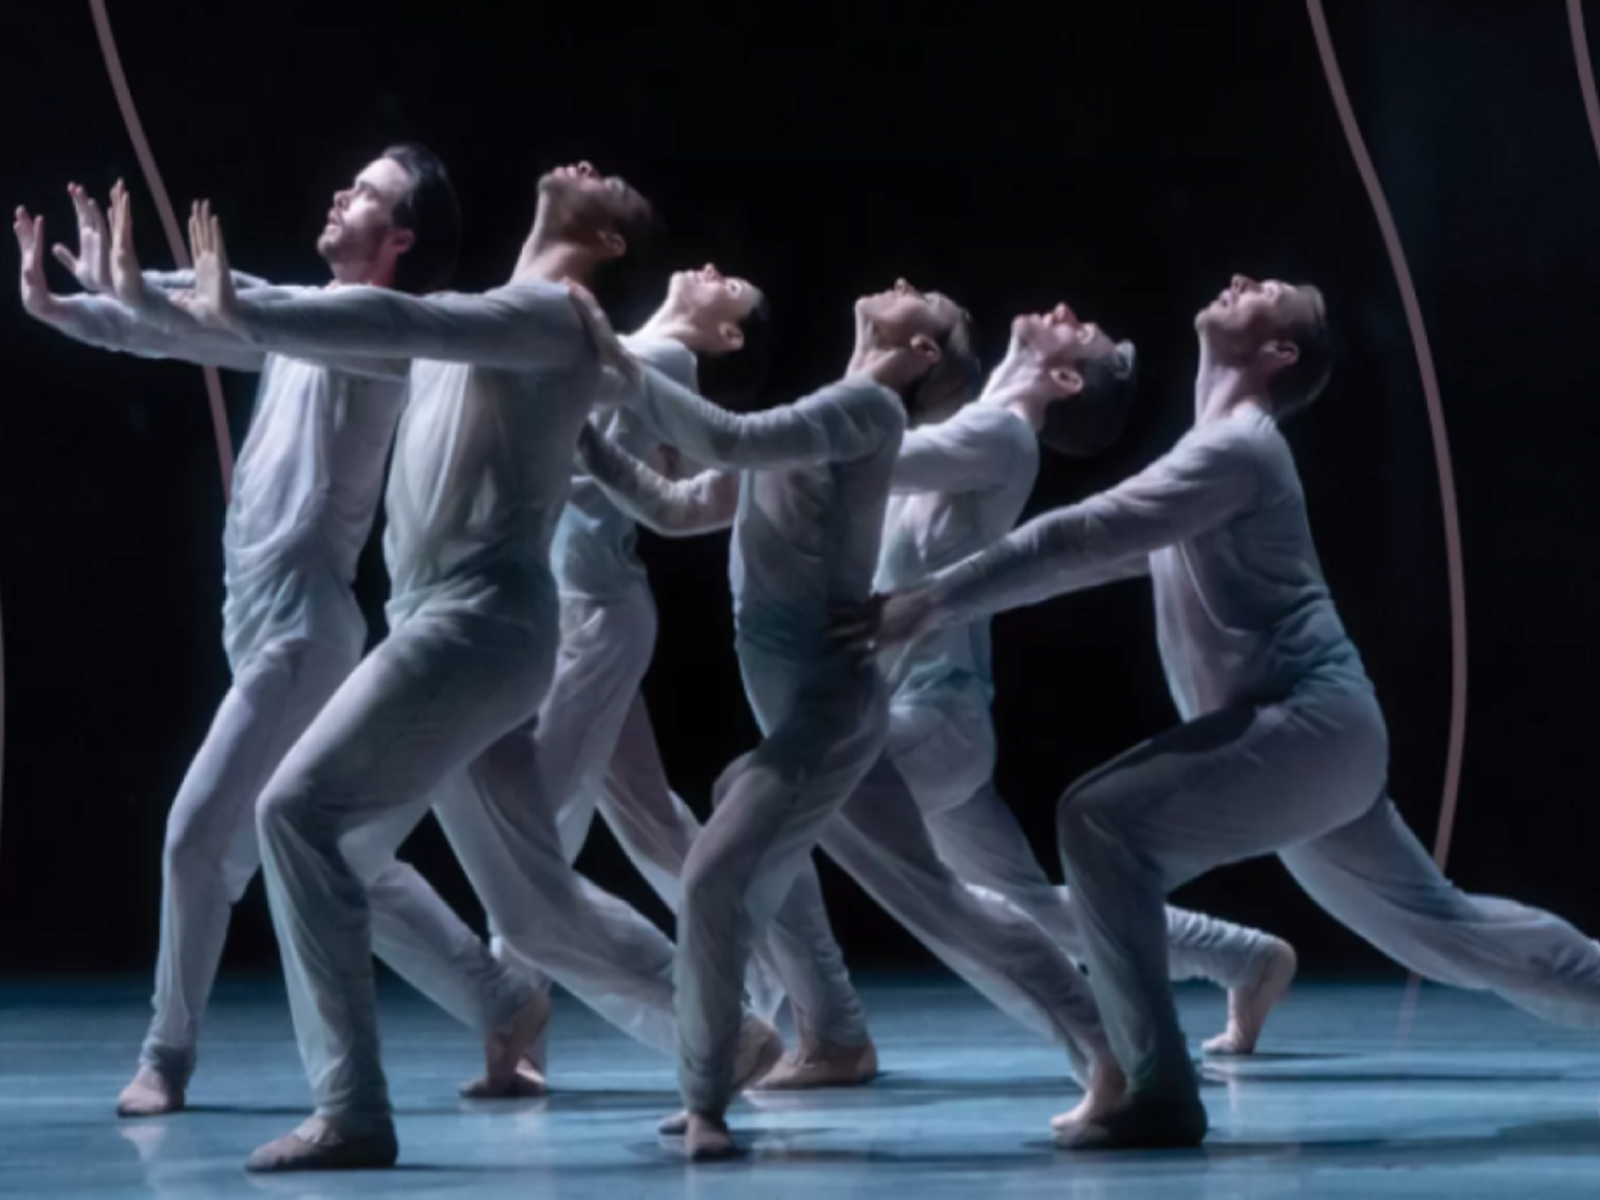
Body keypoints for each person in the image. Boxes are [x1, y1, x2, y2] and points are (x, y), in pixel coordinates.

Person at [862, 275, 1600, 1150]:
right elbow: (1092, 556)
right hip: (1311, 741)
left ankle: (1157, 1088)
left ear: (1278, 353)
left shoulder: (1239, 450)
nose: (1245, 280)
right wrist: (944, 599)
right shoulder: (1211, 448)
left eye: (1271, 292)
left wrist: (928, 603)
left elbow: (1083, 535)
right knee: (1448, 934)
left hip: (1309, 725)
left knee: (1101, 826)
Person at [168, 162, 779, 1172]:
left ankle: (353, 1109)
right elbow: (352, 323)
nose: (587, 168)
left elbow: (401, 326)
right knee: (534, 909)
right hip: (471, 631)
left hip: (470, 627)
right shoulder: (517, 318)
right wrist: (133, 303)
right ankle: (722, 1030)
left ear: (613, 241)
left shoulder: (541, 314)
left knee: (294, 816)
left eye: (611, 183)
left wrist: (241, 309)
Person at [13, 152, 546, 1118]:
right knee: (340, 860)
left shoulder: (386, 335)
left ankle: (166, 1056)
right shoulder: (300, 313)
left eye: (368, 194)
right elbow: (198, 319)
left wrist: (128, 288)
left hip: (303, 634)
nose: (341, 193)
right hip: (257, 622)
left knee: (195, 840)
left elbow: (218, 310)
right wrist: (78, 302)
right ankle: (503, 999)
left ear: (402, 240)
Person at [577, 280, 1120, 1159]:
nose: (903, 285)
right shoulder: (827, 418)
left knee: (721, 872)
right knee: (935, 900)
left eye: (928, 300)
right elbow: (679, 508)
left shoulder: (866, 412)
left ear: (924, 355)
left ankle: (717, 1102)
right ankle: (1098, 1048)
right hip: (824, 709)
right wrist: (589, 443)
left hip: (835, 712)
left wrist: (609, 357)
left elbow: (729, 437)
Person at [755, 303, 1296, 1089]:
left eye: (1084, 331)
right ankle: (1239, 956)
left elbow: (859, 458)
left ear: (1066, 378)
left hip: (935, 719)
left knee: (779, 804)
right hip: (935, 717)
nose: (1068, 312)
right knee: (1030, 905)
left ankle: (827, 1028)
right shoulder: (980, 422)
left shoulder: (1000, 435)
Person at [473, 264, 797, 1092]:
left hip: (594, 614)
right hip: (586, 609)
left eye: (734, 288)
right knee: (654, 825)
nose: (715, 271)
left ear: (725, 336)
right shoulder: (639, 354)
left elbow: (698, 485)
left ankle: (520, 1035)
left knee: (527, 827)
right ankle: (769, 982)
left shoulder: (674, 364)